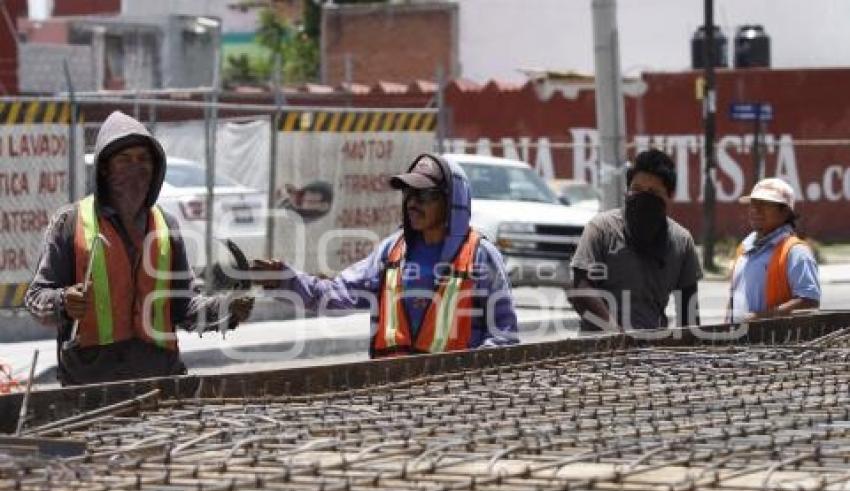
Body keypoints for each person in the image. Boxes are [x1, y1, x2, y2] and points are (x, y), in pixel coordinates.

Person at [26, 111, 254, 385]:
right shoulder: (69, 223)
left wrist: (224, 310)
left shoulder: (166, 225)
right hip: (92, 385)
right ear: (104, 168)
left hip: (159, 379)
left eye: (144, 159)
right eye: (125, 159)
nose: (136, 167)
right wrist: (63, 301)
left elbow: (183, 307)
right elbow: (36, 298)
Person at [253, 153, 519, 356]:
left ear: (451, 201)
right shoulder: (391, 252)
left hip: (452, 398)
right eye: (408, 193)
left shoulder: (481, 257)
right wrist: (286, 280)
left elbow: (504, 336)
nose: (412, 202)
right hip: (393, 394)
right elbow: (337, 295)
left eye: (424, 195)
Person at [568, 148, 702, 332]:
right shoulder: (601, 229)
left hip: (654, 351)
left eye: (653, 193)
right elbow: (581, 291)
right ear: (627, 191)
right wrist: (616, 334)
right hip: (597, 350)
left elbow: (689, 313)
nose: (643, 198)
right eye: (636, 190)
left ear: (668, 197)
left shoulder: (682, 241)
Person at [728, 177, 820, 322]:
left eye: (765, 204)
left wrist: (758, 318)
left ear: (785, 212)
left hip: (774, 342)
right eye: (753, 204)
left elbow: (810, 303)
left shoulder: (796, 252)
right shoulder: (744, 249)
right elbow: (734, 298)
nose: (755, 210)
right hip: (738, 341)